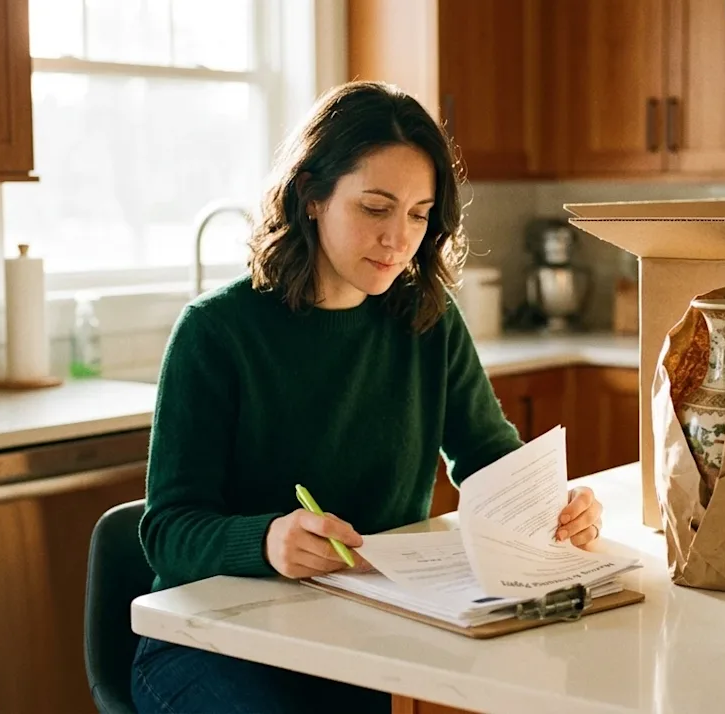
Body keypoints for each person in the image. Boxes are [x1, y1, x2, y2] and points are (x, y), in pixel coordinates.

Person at [130, 80, 605, 714]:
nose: (398, 239)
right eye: (375, 208)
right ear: (312, 198)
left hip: (371, 630)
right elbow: (168, 529)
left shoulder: (428, 321)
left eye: (418, 214)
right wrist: (267, 541)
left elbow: (490, 457)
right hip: (212, 643)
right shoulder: (216, 333)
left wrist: (552, 506)